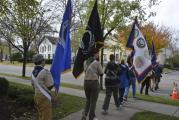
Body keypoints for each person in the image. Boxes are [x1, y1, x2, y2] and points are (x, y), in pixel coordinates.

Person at [81, 51, 103, 120]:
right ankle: (91, 117)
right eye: (97, 53)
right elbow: (101, 73)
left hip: (86, 82)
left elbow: (85, 71)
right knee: (93, 101)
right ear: (94, 54)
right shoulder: (97, 63)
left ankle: (84, 115)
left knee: (88, 100)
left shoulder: (85, 62)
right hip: (94, 82)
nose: (98, 54)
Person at [31, 54, 54, 120]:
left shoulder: (33, 72)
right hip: (44, 97)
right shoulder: (45, 71)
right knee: (46, 117)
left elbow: (33, 85)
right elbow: (50, 86)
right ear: (42, 61)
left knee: (41, 115)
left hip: (36, 96)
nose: (44, 61)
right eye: (44, 60)